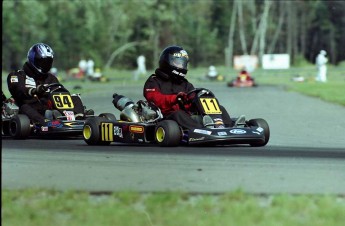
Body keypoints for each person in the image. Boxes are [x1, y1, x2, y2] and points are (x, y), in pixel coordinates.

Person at [143, 45, 233, 130]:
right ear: (166, 62)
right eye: (178, 63)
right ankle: (202, 130)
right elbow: (155, 99)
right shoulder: (154, 81)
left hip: (187, 116)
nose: (181, 66)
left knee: (219, 108)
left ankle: (227, 128)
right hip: (166, 117)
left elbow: (192, 98)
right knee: (178, 114)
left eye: (183, 64)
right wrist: (175, 98)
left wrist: (197, 98)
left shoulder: (185, 84)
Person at [7, 43, 91, 127]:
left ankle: (78, 118)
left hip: (49, 106)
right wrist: (34, 90)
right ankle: (46, 123)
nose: (45, 65)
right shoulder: (17, 75)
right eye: (42, 62)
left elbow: (60, 91)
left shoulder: (50, 77)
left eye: (48, 62)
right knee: (24, 107)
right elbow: (18, 90)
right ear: (33, 59)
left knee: (75, 97)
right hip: (31, 107)